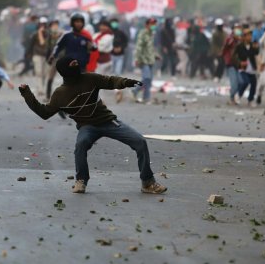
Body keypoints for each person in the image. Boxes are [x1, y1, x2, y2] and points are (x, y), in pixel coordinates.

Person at [18, 56, 167, 195]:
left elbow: (110, 81)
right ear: (65, 70)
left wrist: (126, 82)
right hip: (87, 126)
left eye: (76, 63)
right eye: (73, 65)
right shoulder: (60, 94)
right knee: (81, 145)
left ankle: (147, 182)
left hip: (108, 121)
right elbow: (44, 112)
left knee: (140, 141)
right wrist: (27, 94)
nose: (76, 66)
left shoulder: (90, 78)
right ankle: (81, 180)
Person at [132, 18, 157, 104]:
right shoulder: (142, 34)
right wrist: (137, 59)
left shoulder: (151, 34)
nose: (153, 26)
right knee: (147, 78)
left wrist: (156, 56)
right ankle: (136, 90)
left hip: (150, 60)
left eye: (154, 24)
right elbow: (139, 47)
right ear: (146, 25)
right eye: (151, 24)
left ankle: (145, 98)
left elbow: (150, 48)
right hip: (143, 59)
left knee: (149, 80)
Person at [235, 29, 259, 107]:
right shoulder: (240, 46)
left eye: (251, 36)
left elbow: (256, 53)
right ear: (244, 37)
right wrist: (240, 62)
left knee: (254, 84)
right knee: (245, 82)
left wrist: (256, 47)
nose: (250, 37)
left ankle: (250, 99)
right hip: (243, 68)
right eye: (248, 36)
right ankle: (238, 95)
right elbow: (234, 56)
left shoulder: (252, 45)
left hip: (251, 68)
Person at [223, 24, 241, 105]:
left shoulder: (241, 40)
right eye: (236, 29)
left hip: (239, 64)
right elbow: (225, 48)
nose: (238, 31)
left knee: (241, 81)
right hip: (230, 63)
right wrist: (233, 39)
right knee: (234, 83)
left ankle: (235, 97)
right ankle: (231, 98)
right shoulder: (230, 39)